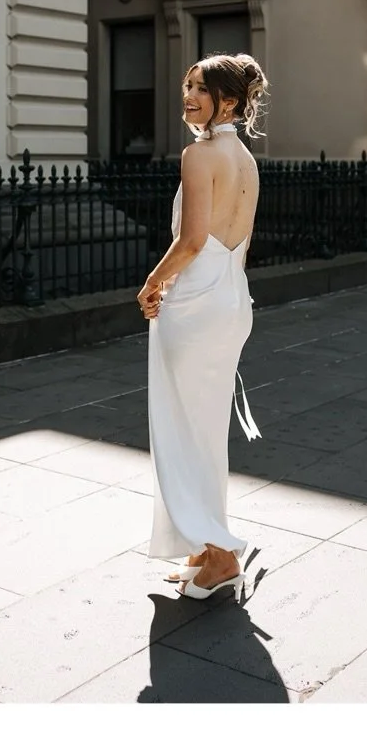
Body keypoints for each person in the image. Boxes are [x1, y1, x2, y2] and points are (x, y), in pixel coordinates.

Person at [135, 52, 270, 600]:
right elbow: (241, 240)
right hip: (231, 298)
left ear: (229, 101)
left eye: (199, 89)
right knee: (203, 430)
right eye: (186, 86)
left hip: (194, 303)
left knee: (182, 430)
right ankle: (200, 546)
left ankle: (218, 556)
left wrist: (151, 284)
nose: (187, 97)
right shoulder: (246, 159)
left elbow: (191, 241)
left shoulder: (199, 155)